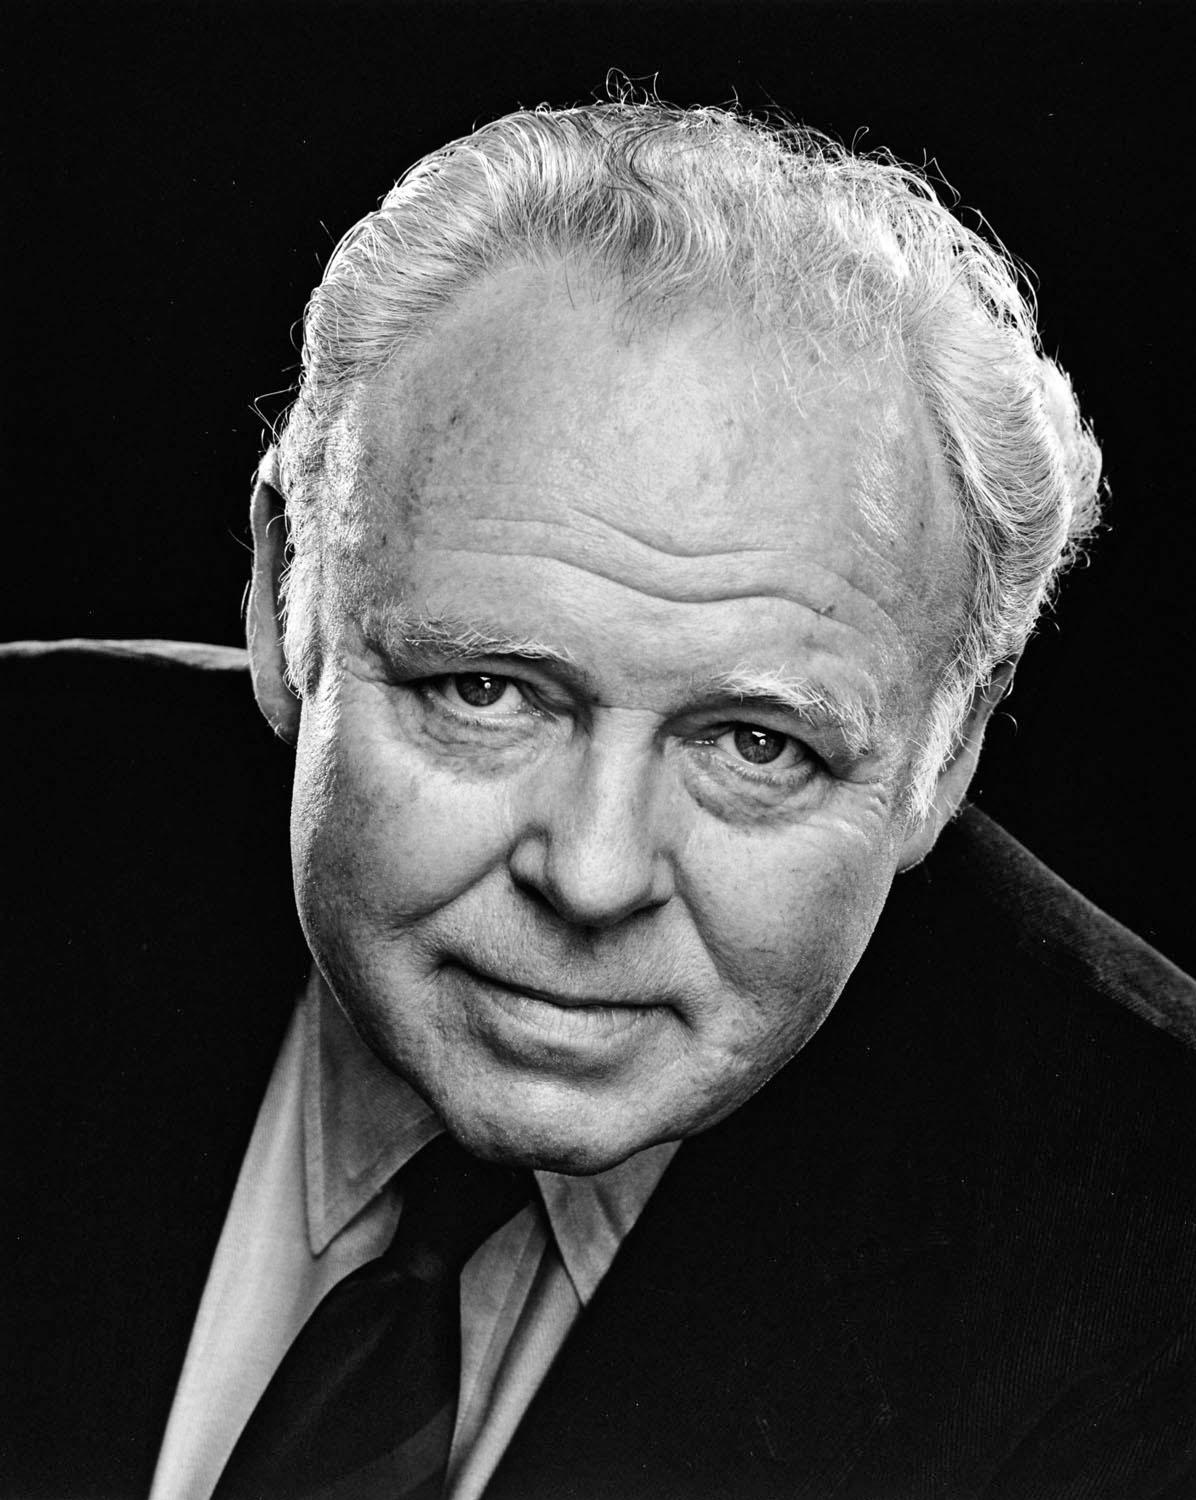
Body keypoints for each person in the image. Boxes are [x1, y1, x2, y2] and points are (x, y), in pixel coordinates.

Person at [4, 99, 1194, 1499]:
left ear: (949, 752)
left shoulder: (1150, 1268)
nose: (592, 874)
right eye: (487, 691)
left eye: (758, 746)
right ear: (284, 598)